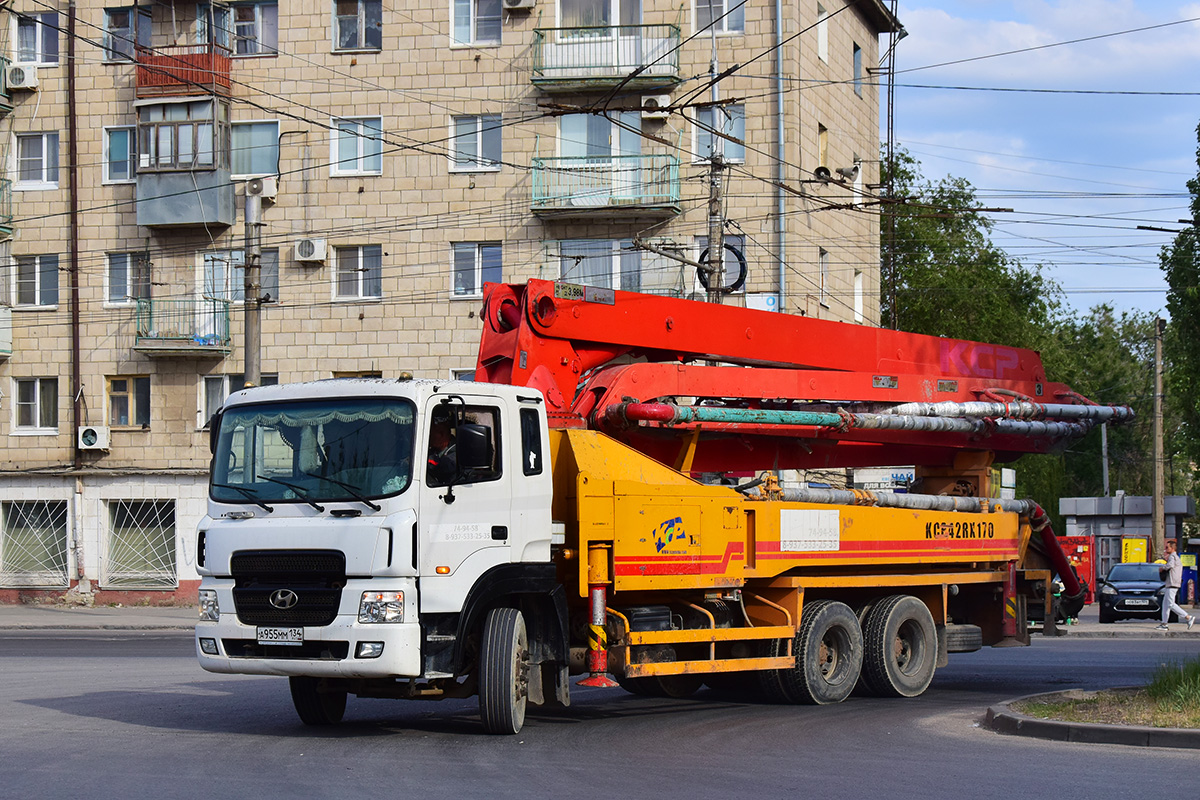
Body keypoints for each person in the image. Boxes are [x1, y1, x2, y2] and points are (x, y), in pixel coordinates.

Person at [1158, 538, 1195, 631]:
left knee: (1170, 604)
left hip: (1172, 583)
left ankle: (1188, 617)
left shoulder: (1172, 556)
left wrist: (1162, 568)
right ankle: (1164, 623)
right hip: (1171, 583)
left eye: (1167, 547)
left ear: (1172, 548)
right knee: (1165, 604)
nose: (1166, 549)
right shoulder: (1175, 557)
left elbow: (1169, 566)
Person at [426, 415, 457, 485]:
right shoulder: (434, 450)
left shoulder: (458, 451)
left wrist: (421, 460)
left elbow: (443, 466)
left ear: (441, 434)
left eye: (431, 433)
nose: (429, 437)